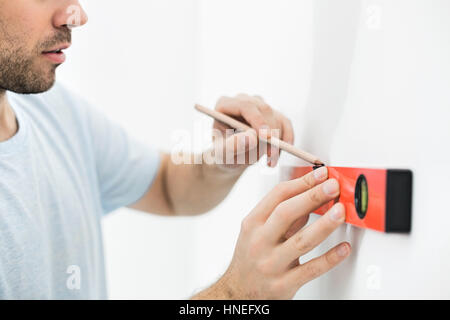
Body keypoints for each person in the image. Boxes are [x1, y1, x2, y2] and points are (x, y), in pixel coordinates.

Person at [0, 0, 351, 300]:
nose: (75, 15)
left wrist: (222, 162)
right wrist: (235, 296)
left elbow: (168, 189)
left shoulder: (50, 110)